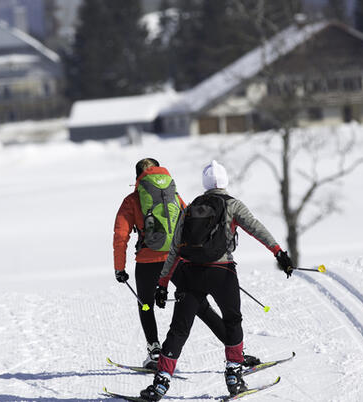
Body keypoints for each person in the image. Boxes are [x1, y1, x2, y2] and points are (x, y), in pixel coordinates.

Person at [139, 160, 293, 401]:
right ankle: (234, 376)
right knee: (232, 320)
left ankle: (160, 383)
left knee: (178, 329)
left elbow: (175, 249)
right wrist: (278, 252)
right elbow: (256, 228)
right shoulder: (233, 204)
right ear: (225, 181)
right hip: (223, 273)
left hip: (191, 274)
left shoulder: (190, 207)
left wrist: (163, 283)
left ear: (205, 183)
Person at [113, 158, 262, 370]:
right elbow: (192, 223)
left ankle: (155, 351)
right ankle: (236, 351)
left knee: (146, 303)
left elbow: (121, 235)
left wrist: (119, 267)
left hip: (147, 259)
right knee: (198, 304)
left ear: (137, 177)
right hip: (177, 260)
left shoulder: (132, 200)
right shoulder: (173, 196)